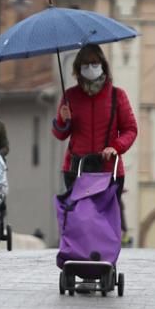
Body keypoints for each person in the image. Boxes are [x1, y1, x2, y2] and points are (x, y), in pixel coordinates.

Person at [52, 43, 137, 199]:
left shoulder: (117, 95)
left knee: (104, 221)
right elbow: (60, 134)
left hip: (109, 169)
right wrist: (63, 121)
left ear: (103, 66)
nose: (90, 68)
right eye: (85, 64)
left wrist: (115, 147)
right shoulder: (70, 96)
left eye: (94, 63)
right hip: (76, 169)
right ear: (78, 68)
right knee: (81, 219)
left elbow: (130, 129)